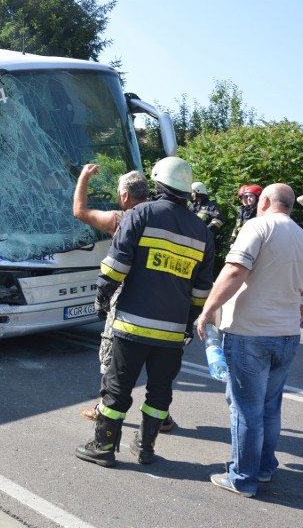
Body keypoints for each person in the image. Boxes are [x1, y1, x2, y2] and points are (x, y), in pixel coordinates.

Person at [74, 156, 215, 468]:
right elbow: (202, 290)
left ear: (158, 183)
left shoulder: (140, 214)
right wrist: (189, 325)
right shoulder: (202, 232)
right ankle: (145, 449)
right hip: (173, 332)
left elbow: (116, 265)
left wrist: (102, 295)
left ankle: (104, 447)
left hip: (132, 326)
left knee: (117, 389)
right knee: (159, 393)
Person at [195, 183, 303, 498]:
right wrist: (288, 320)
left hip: (250, 334)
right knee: (270, 406)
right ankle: (264, 468)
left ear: (264, 201)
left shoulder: (257, 226)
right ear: (291, 206)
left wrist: (207, 310)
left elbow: (234, 272)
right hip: (287, 335)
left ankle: (242, 478)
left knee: (245, 409)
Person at [72, 166, 175, 431]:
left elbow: (80, 211)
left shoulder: (121, 219)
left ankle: (104, 408)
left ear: (125, 197)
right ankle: (161, 416)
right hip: (163, 302)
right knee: (158, 361)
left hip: (126, 299)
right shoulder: (166, 218)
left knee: (111, 356)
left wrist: (83, 177)